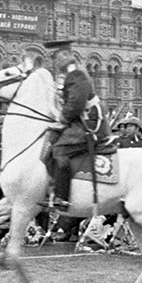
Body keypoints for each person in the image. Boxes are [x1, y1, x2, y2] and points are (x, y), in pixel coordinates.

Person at [45, 39, 110, 210]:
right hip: (80, 121)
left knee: (59, 150)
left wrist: (62, 119)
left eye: (56, 57)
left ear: (66, 55)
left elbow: (76, 103)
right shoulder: (70, 74)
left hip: (88, 125)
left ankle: (62, 197)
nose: (54, 62)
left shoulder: (76, 74)